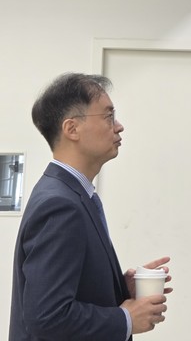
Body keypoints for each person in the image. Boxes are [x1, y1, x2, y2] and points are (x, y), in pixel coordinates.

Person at [10, 73, 172, 341]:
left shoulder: (72, 194)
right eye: (109, 116)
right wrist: (126, 319)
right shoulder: (60, 204)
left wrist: (119, 288)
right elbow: (47, 316)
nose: (119, 126)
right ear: (72, 129)